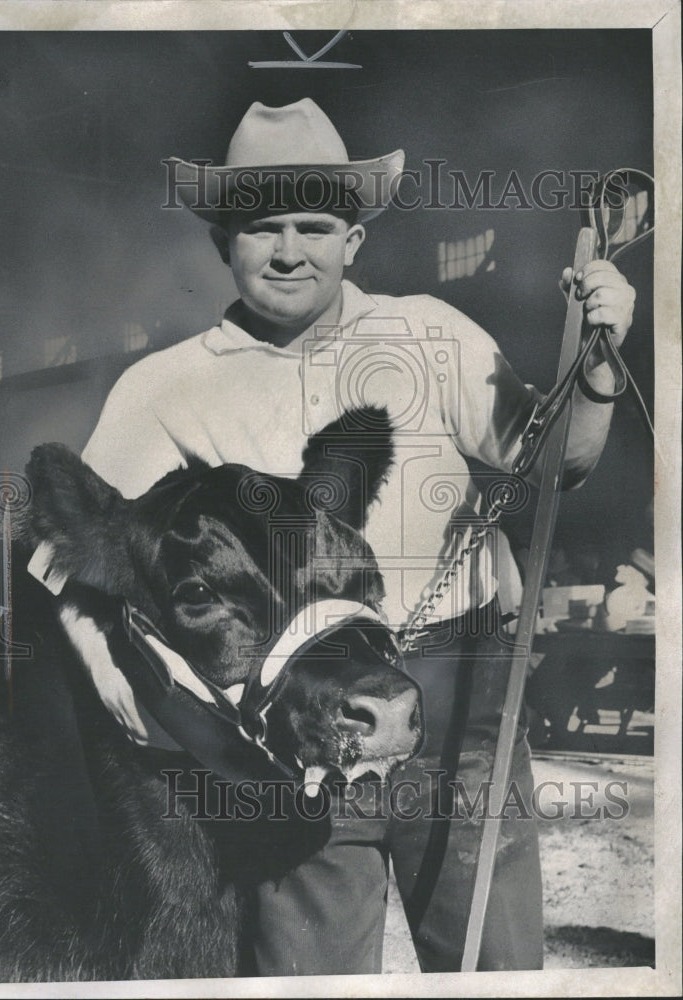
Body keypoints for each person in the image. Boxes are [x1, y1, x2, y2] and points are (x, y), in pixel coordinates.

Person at [82, 99, 637, 975]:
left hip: (459, 712)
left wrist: (600, 366)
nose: (290, 250)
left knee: (498, 969)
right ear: (223, 242)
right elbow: (76, 551)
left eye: (315, 225)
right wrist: (96, 652)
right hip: (292, 728)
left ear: (356, 241)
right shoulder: (162, 388)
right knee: (309, 979)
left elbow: (554, 465)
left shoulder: (434, 335)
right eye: (263, 227)